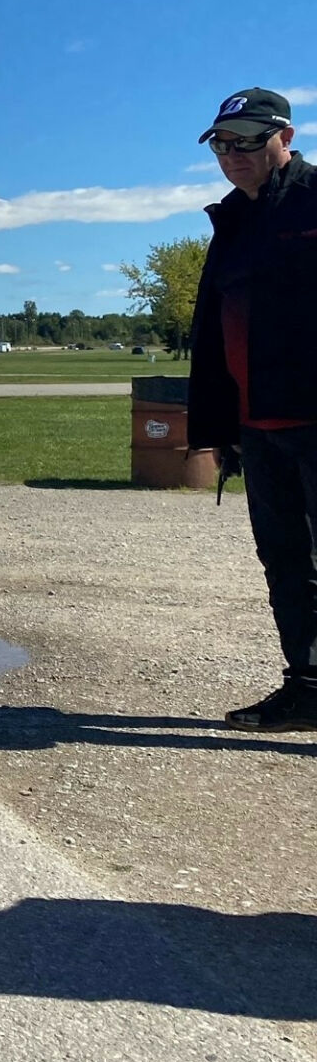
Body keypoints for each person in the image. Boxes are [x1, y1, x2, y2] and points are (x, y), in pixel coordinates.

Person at [188, 87, 317, 733]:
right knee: (286, 560)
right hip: (258, 427)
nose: (233, 154)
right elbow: (213, 333)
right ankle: (308, 684)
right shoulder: (232, 224)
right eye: (221, 143)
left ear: (285, 138)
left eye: (248, 139)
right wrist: (218, 429)